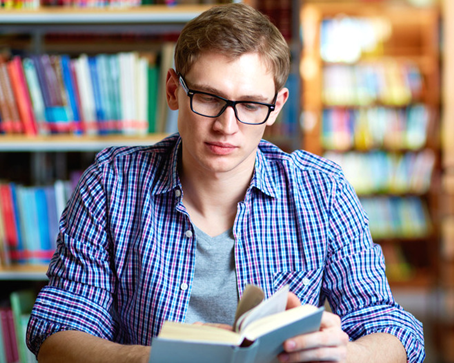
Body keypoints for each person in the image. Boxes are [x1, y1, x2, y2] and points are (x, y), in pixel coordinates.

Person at [26, 3, 425, 363]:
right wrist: (157, 360)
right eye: (208, 98)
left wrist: (349, 356)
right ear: (172, 91)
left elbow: (396, 329)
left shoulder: (323, 191)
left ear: (276, 107)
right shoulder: (112, 185)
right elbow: (56, 332)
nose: (226, 127)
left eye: (251, 105)